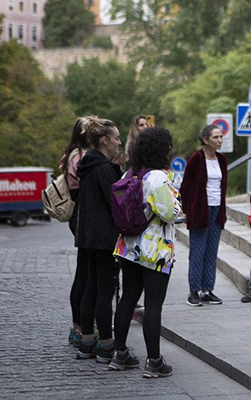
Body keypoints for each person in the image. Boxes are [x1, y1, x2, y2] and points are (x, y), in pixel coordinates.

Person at [111, 126, 182, 378]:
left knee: (128, 298)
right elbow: (170, 213)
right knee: (153, 305)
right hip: (155, 252)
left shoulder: (131, 173)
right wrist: (177, 199)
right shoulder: (158, 178)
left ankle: (120, 353)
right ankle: (154, 361)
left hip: (129, 247)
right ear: (160, 151)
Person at [75, 116, 123, 362]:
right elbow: (115, 203)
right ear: (105, 140)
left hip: (88, 236)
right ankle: (105, 344)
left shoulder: (88, 164)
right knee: (105, 290)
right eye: (116, 138)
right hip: (104, 237)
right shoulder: (104, 168)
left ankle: (86, 341)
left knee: (91, 287)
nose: (119, 142)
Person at [180, 125, 228, 307]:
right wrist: (187, 210)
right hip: (200, 210)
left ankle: (207, 290)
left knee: (211, 251)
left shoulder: (222, 160)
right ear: (206, 140)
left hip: (217, 209)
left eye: (221, 137)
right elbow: (186, 186)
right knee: (198, 252)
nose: (220, 140)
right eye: (216, 137)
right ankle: (194, 291)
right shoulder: (197, 159)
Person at [61, 118, 91, 348]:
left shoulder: (70, 154)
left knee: (82, 271)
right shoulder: (82, 157)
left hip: (78, 214)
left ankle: (77, 327)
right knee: (85, 273)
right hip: (84, 212)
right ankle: (81, 327)